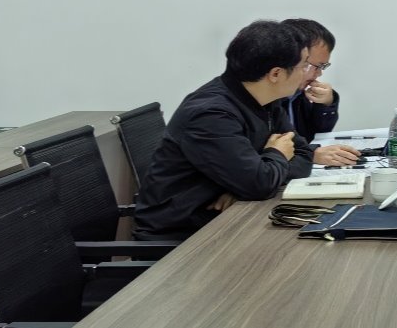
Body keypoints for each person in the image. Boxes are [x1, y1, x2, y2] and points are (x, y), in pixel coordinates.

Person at [134, 20, 316, 240]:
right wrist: (275, 156)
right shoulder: (210, 114)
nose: (308, 74)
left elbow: (303, 156)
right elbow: (259, 183)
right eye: (304, 66)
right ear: (275, 74)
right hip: (183, 240)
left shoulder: (266, 100)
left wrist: (243, 186)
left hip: (229, 222)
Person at [279, 18, 358, 167]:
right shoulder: (266, 98)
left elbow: (316, 135)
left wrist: (325, 105)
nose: (320, 74)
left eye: (323, 67)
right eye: (316, 66)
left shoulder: (297, 94)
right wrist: (311, 154)